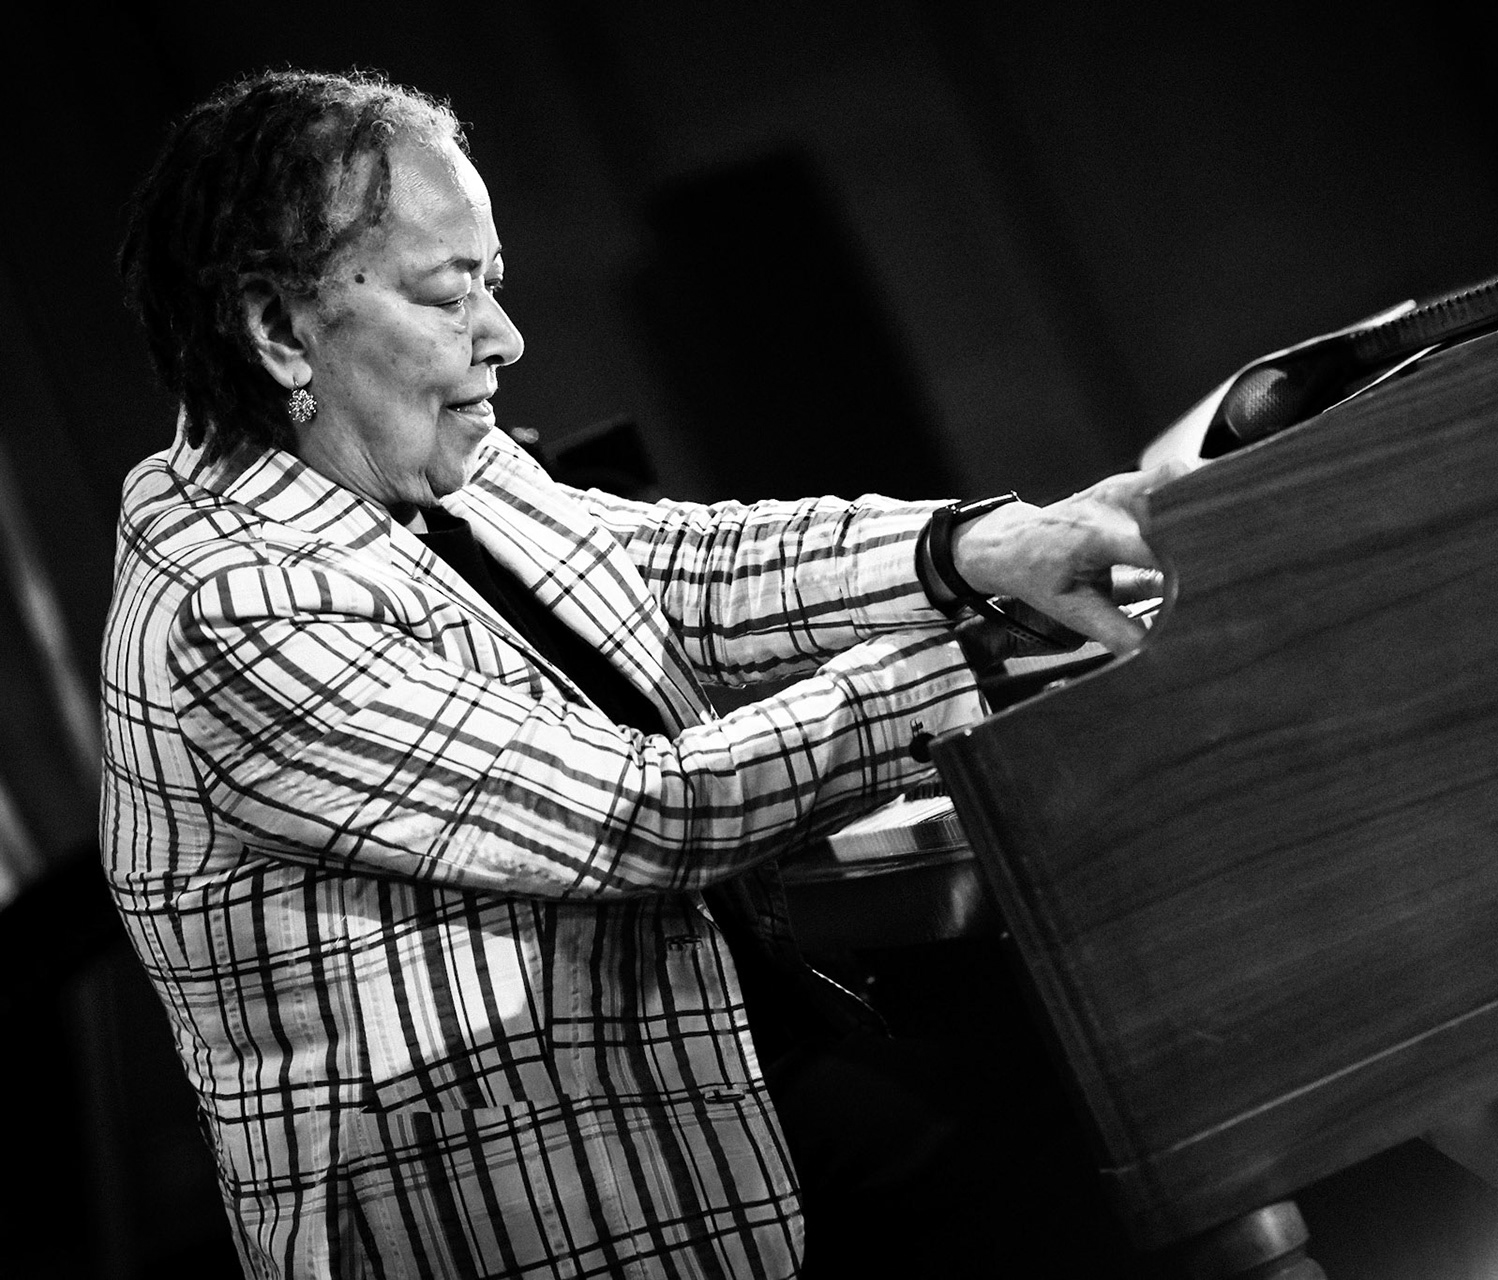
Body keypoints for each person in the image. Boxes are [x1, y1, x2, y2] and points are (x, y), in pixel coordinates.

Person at [101, 69, 1172, 1279]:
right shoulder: (234, 608)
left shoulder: (415, 465)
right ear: (277, 327)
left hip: (682, 1104)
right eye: (453, 293)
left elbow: (670, 570)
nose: (503, 339)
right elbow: (644, 814)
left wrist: (982, 547)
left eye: (491, 283)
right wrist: (968, 656)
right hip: (522, 1224)